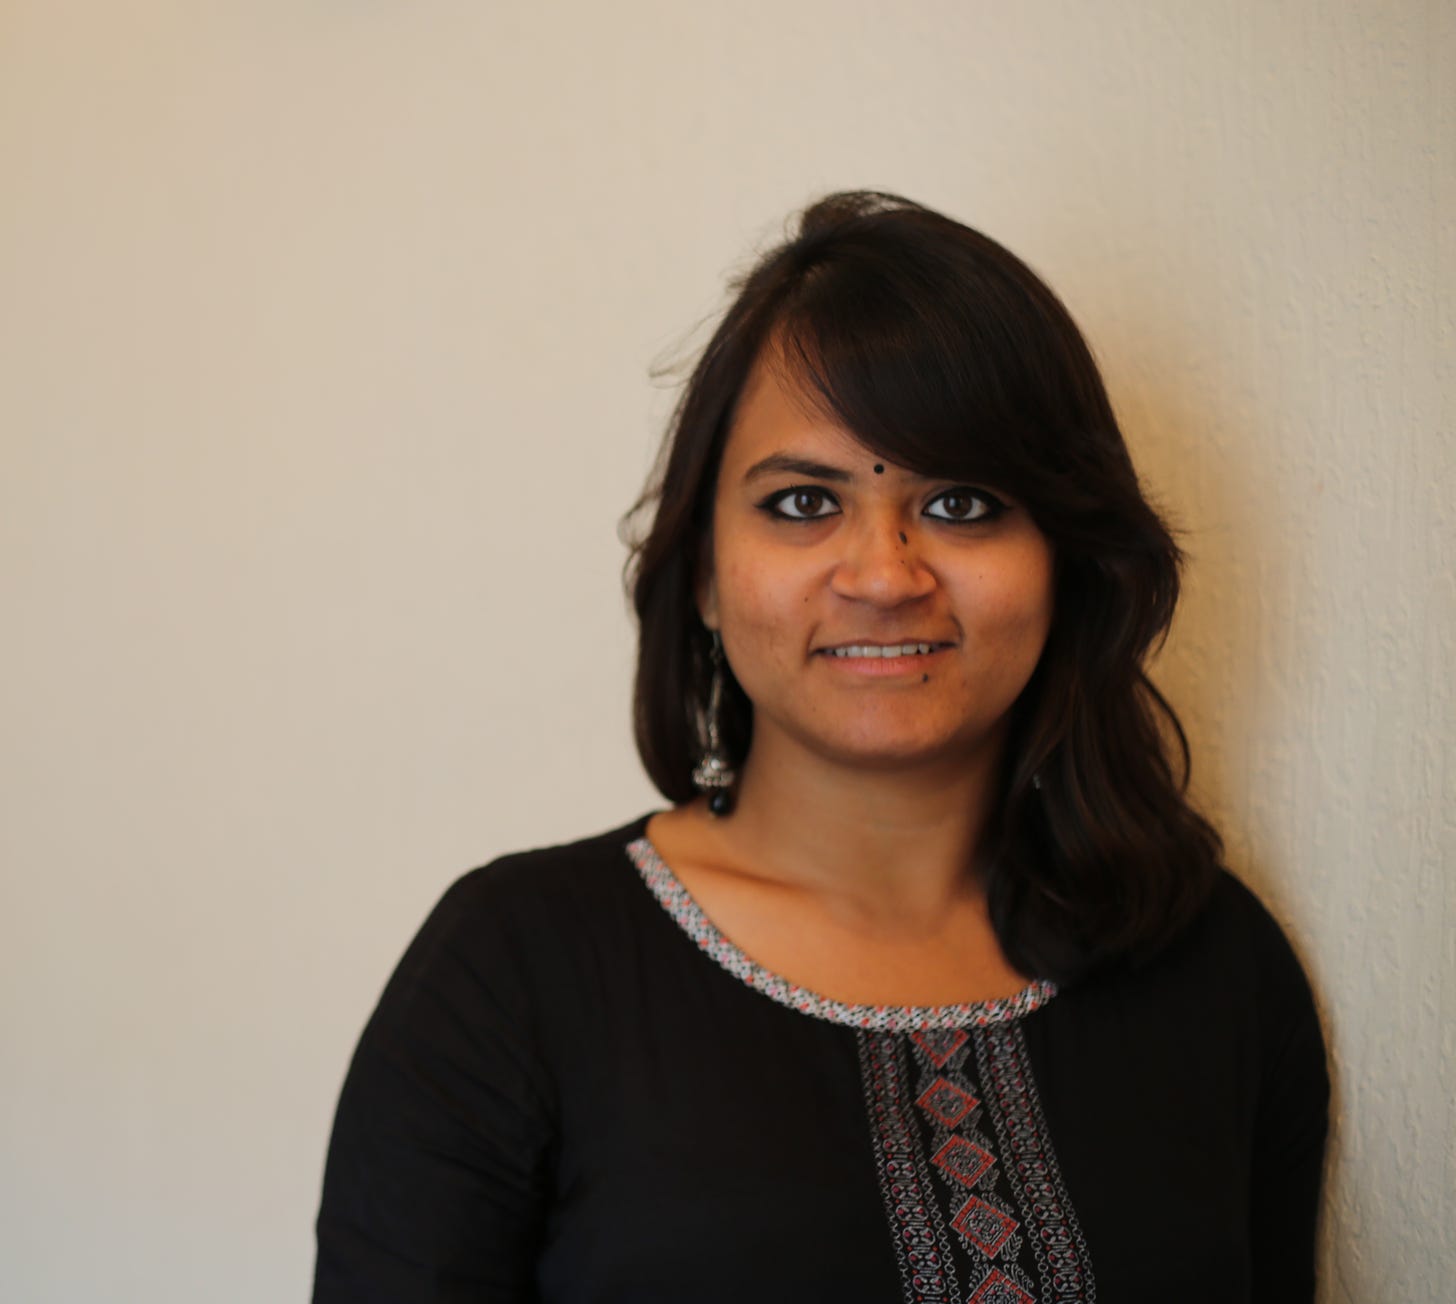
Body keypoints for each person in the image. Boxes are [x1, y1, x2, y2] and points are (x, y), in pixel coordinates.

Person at [312, 192, 1329, 1303]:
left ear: (1066, 563)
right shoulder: (510, 974)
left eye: (961, 501)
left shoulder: (1215, 965)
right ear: (702, 571)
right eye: (802, 501)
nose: (885, 573)